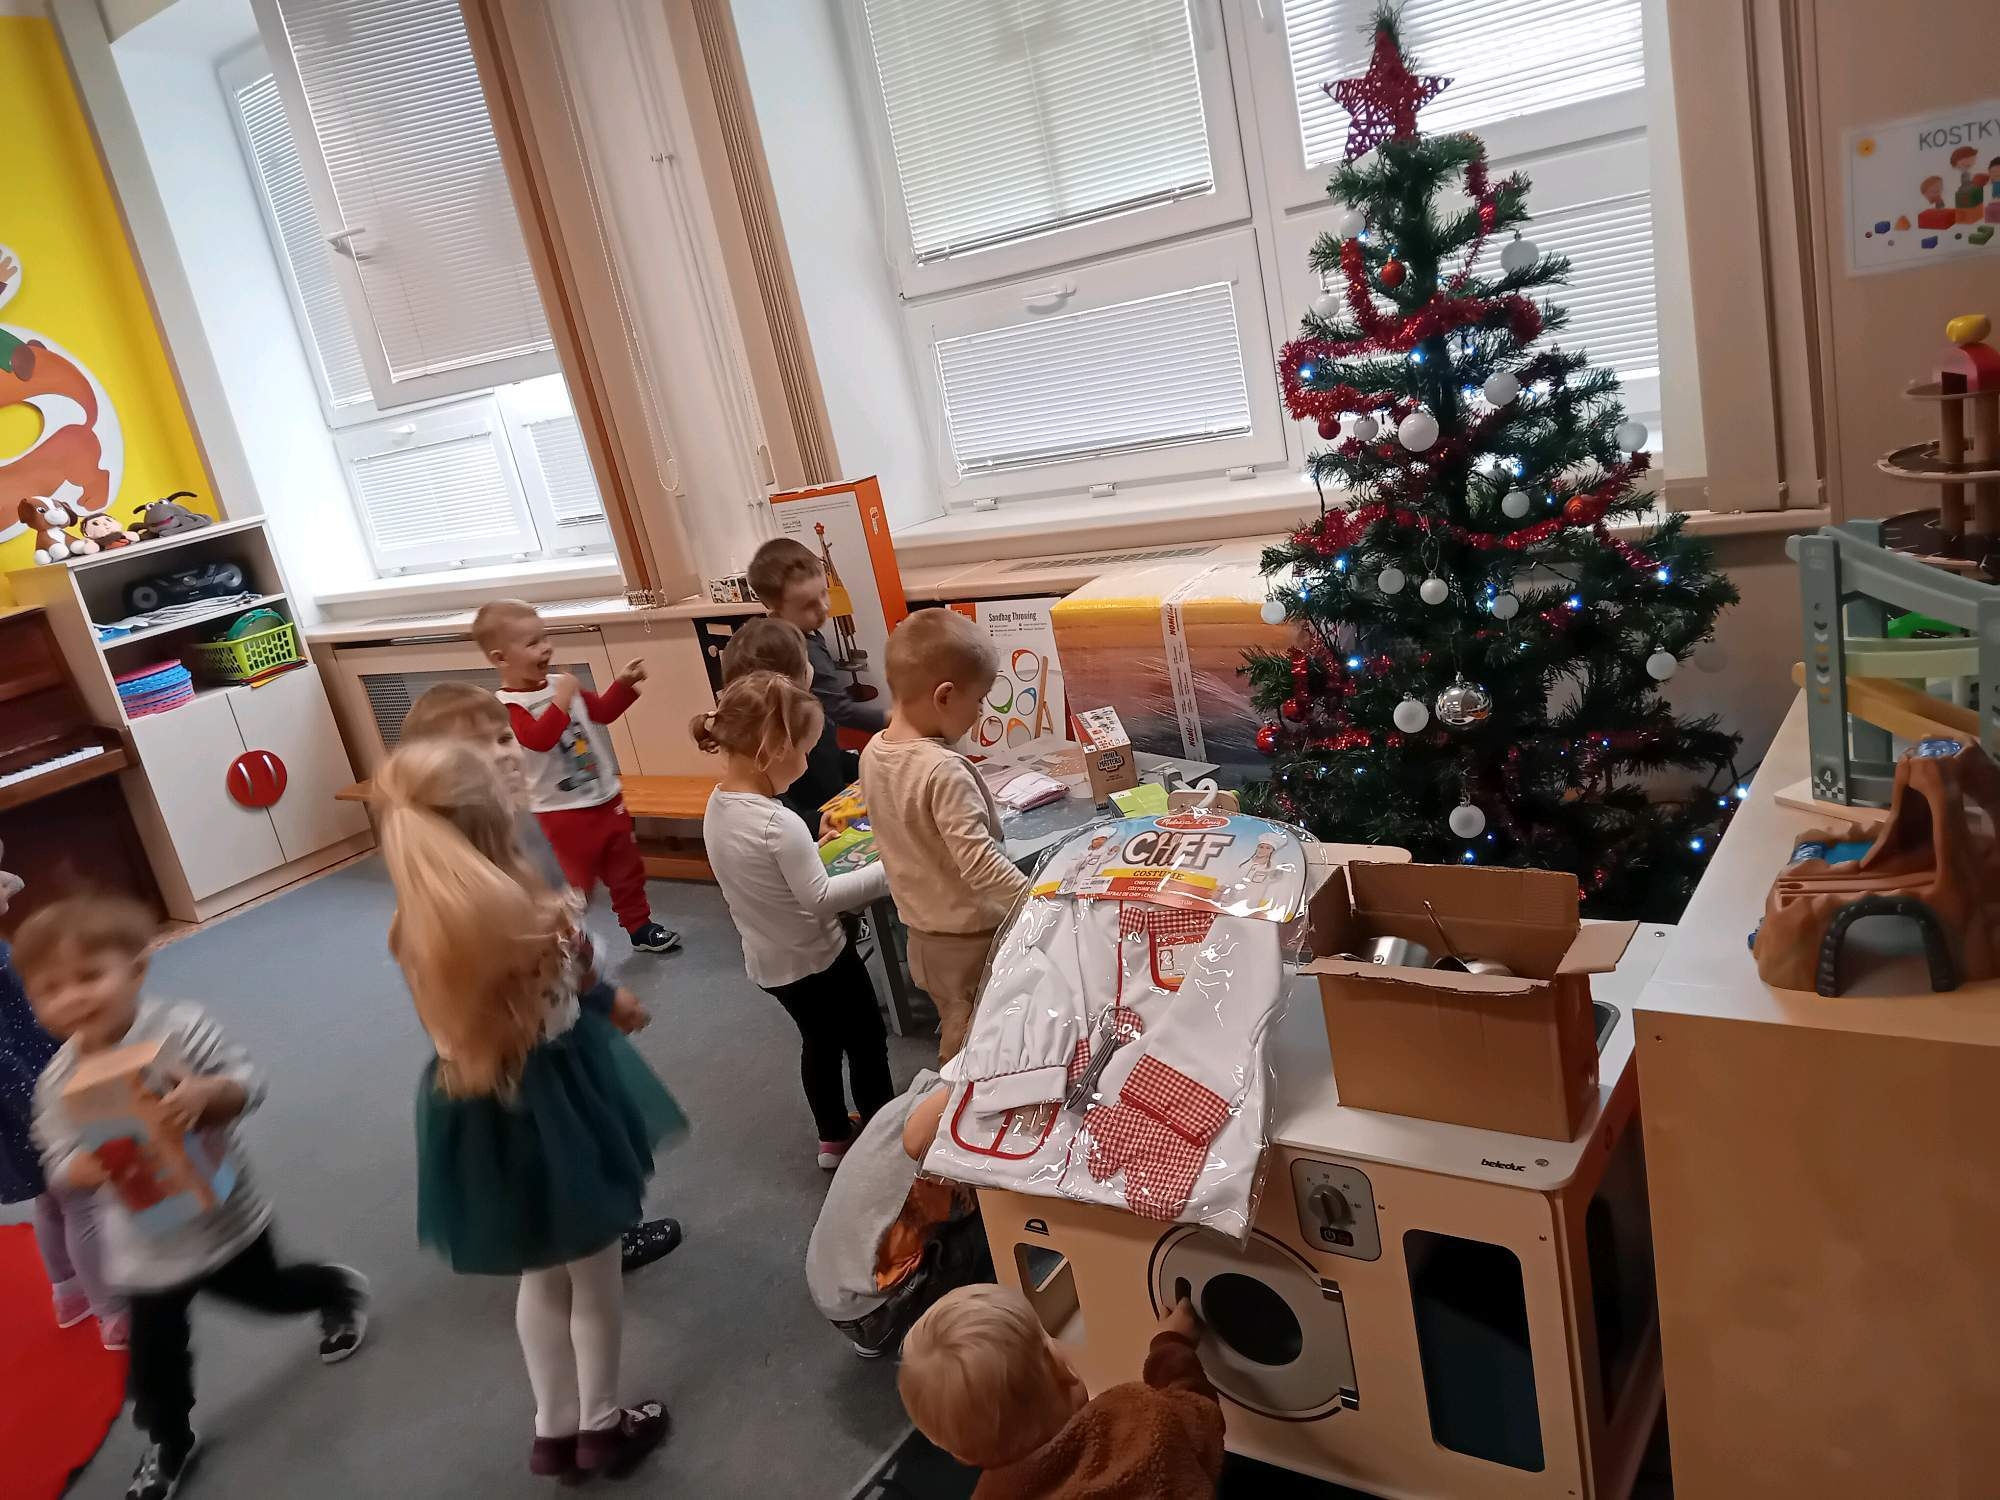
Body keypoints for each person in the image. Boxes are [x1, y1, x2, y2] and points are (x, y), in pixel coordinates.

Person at [376, 738, 684, 1481]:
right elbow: (586, 977)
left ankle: (554, 1430)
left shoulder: (415, 929)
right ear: (493, 824)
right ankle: (603, 1426)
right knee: (595, 1279)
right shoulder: (543, 918)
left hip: (478, 1116)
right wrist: (603, 985)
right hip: (560, 1107)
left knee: (540, 1278)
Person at [20, 897, 367, 1500]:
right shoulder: (57, 1081)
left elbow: (248, 1083)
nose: (72, 997)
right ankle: (169, 1440)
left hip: (222, 1221)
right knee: (154, 1363)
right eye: (51, 988)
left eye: (89, 976)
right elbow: (57, 1157)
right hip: (143, 1250)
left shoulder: (180, 1027)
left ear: (136, 968)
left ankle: (333, 1289)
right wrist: (83, 1168)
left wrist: (209, 1094)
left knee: (269, 1293)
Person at [397, 683, 683, 1274]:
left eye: (504, 737)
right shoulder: (460, 883)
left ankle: (597, 1234)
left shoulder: (511, 838)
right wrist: (584, 975)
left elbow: (564, 952)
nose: (504, 755)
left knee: (578, 1164)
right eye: (479, 749)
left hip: (546, 1033)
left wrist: (597, 986)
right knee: (568, 1166)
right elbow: (528, 969)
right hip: (525, 1060)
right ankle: (600, 1238)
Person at [695, 671, 894, 1168]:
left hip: (771, 965)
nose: (807, 762)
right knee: (866, 1040)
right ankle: (884, 1134)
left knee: (819, 1043)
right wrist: (891, 869)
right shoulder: (777, 823)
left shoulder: (719, 806)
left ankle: (832, 1138)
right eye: (805, 750)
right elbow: (821, 898)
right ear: (774, 748)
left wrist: (810, 848)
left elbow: (764, 873)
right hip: (821, 959)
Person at [860, 609, 1029, 1062]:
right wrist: (1036, 901)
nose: (980, 713)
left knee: (956, 1020)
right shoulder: (943, 770)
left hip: (923, 938)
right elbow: (981, 864)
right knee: (974, 1042)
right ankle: (953, 1101)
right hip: (971, 942)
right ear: (946, 696)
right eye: (980, 700)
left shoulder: (874, 751)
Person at [471, 598, 680, 956]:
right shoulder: (506, 705)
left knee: (626, 868)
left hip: (605, 797)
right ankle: (564, 936)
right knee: (575, 882)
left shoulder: (561, 684)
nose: (545, 647)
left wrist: (624, 685)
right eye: (532, 643)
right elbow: (538, 739)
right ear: (500, 658)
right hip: (561, 811)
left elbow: (602, 711)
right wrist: (562, 699)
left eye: (545, 637)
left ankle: (640, 926)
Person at [899, 1285, 1223, 1498]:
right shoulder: (1139, 1420)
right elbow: (1200, 1413)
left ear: (961, 1456)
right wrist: (1171, 1345)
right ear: (1064, 1370)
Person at [0, 845, 125, 1350]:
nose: (7, 882)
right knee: (79, 1198)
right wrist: (40, 1104)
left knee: (49, 1196)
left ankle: (68, 1293)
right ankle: (112, 1312)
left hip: (23, 1089)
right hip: (27, 1095)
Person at [805, 1073, 988, 1358]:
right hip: (870, 1311)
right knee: (991, 1217)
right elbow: (969, 1202)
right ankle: (919, 1325)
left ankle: (888, 1323)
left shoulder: (916, 1098)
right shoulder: (941, 1143)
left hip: (835, 1289)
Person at [747, 538, 885, 812]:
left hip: (823, 752)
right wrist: (892, 720)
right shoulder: (800, 650)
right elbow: (838, 709)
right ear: (774, 608)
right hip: (808, 770)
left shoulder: (805, 635)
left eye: (824, 593)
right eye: (808, 605)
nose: (823, 607)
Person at [720, 615, 849, 830]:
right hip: (812, 832)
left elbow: (831, 758)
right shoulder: (772, 743)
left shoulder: (810, 716)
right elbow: (775, 807)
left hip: (834, 814)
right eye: (807, 660)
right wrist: (815, 823)